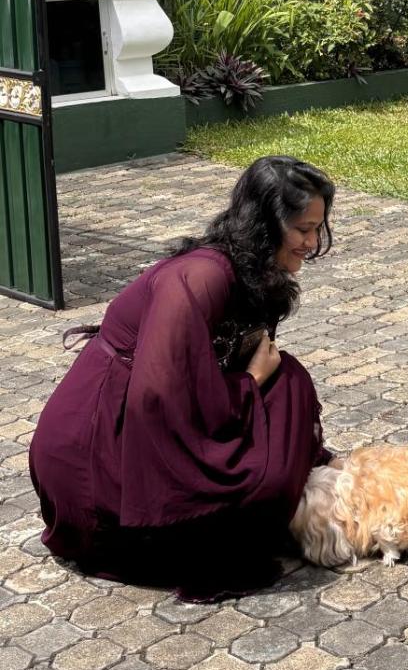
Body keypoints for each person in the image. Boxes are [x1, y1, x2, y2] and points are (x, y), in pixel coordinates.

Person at [30, 156, 335, 602]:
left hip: (157, 413)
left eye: (317, 229)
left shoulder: (251, 271)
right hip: (100, 458)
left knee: (287, 385)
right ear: (266, 225)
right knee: (281, 392)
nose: (312, 242)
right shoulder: (200, 276)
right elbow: (158, 393)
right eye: (302, 229)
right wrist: (250, 383)